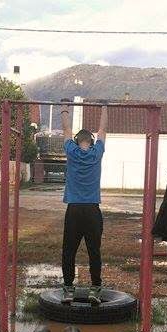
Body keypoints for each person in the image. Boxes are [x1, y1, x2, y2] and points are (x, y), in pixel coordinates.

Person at [60, 101, 108, 303]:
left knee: (69, 251)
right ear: (91, 141)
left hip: (74, 211)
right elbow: (103, 129)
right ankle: (95, 288)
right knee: (93, 251)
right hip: (91, 211)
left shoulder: (71, 152)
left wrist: (64, 107)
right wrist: (104, 108)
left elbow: (66, 128)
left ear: (77, 141)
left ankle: (69, 288)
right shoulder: (96, 154)